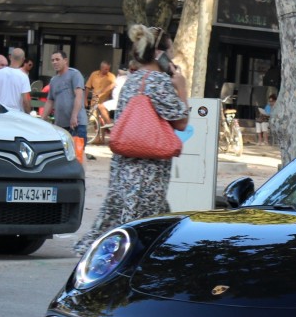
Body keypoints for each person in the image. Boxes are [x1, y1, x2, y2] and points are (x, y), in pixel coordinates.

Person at [71, 25, 188, 259]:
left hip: (123, 167)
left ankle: (104, 258)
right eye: (171, 51)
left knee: (125, 216)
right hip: (148, 169)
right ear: (160, 54)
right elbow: (181, 122)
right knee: (142, 227)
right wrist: (182, 89)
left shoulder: (131, 82)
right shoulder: (159, 82)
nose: (173, 56)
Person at [41, 49, 87, 161]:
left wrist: (74, 115)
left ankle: (80, 178)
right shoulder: (53, 80)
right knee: (63, 158)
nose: (55, 62)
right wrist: (42, 120)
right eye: (52, 60)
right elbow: (50, 101)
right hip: (61, 125)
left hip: (76, 124)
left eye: (57, 59)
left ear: (65, 60)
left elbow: (79, 95)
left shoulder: (74, 74)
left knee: (78, 155)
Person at [0, 47, 30, 113]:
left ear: (10, 57)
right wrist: (28, 114)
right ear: (23, 59)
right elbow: (25, 101)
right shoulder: (24, 77)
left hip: (0, 111)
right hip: (16, 113)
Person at [86, 60, 116, 128]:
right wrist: (85, 99)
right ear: (101, 68)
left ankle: (102, 138)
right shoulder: (94, 74)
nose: (107, 70)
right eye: (105, 69)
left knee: (103, 121)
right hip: (94, 100)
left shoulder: (111, 76)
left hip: (105, 101)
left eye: (108, 69)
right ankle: (97, 137)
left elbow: (114, 86)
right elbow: (88, 87)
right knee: (94, 120)